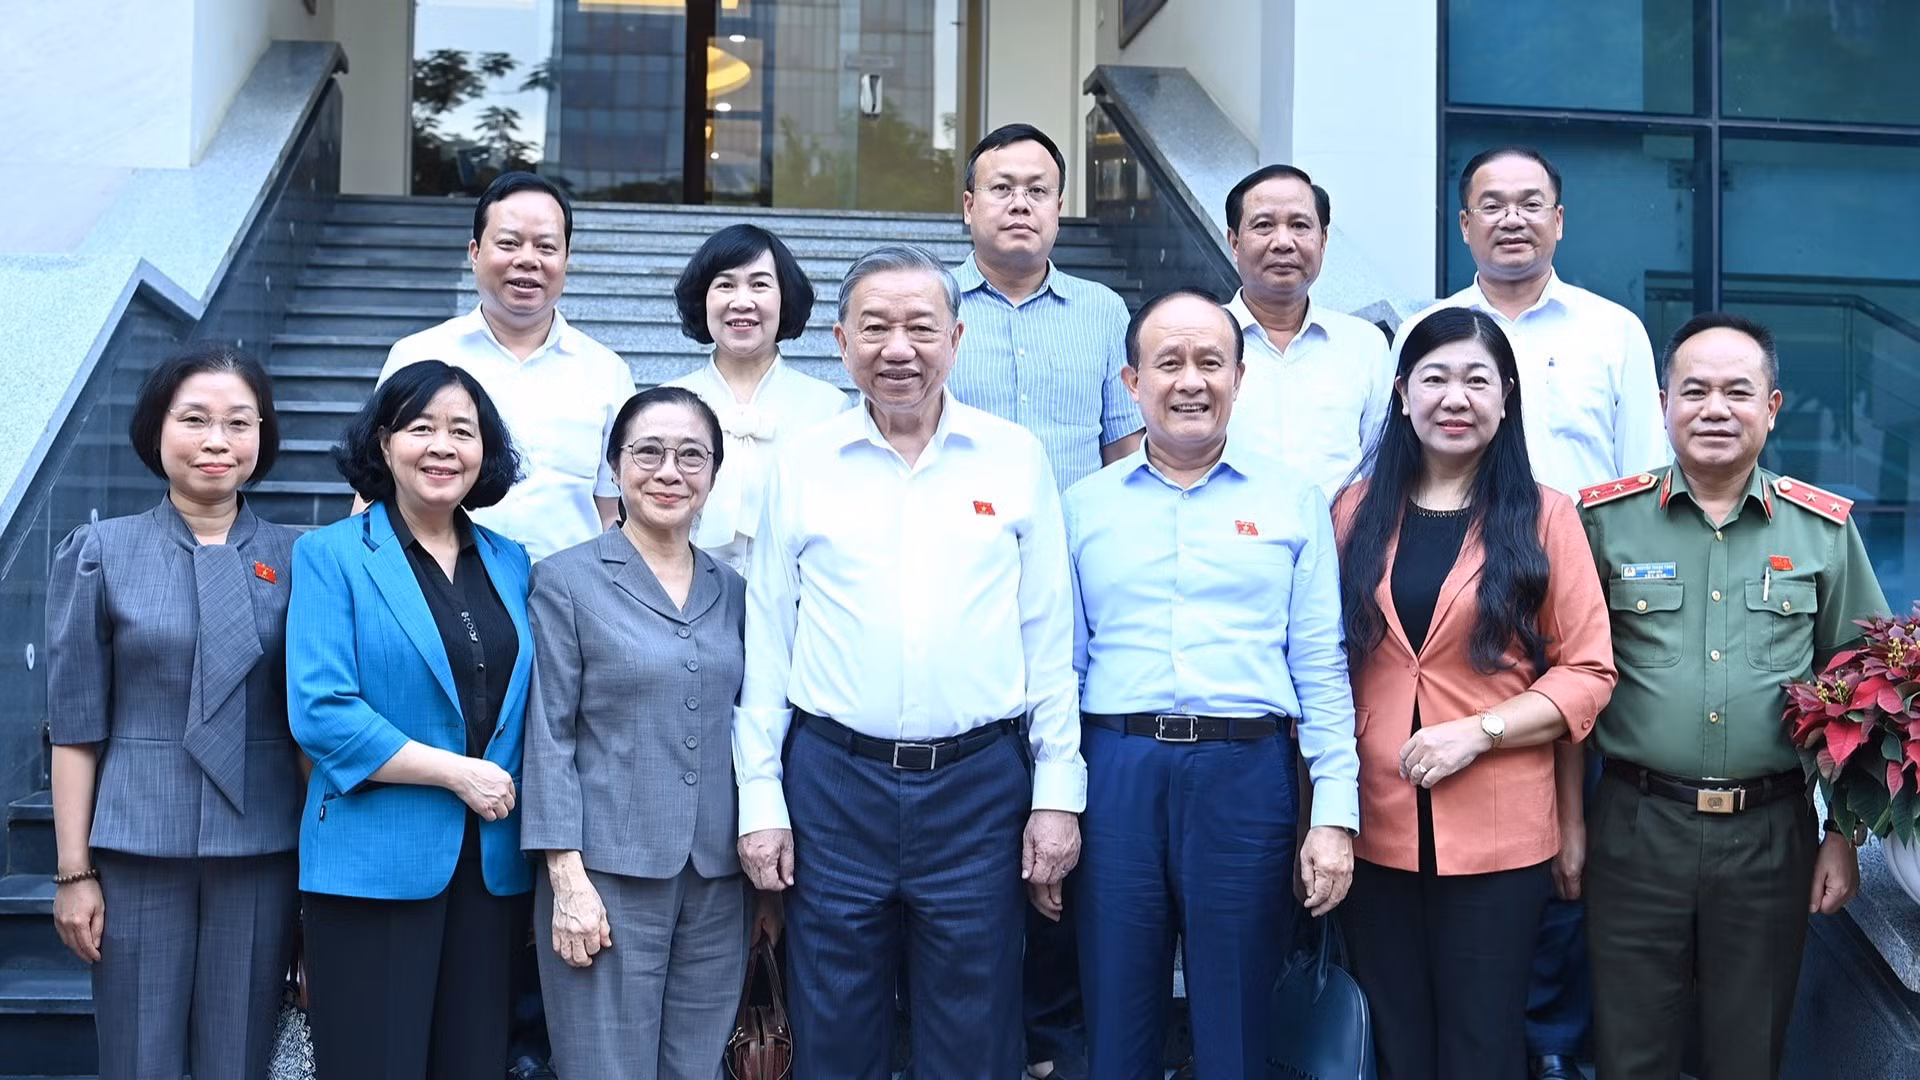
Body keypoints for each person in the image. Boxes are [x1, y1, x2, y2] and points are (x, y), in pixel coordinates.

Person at [733, 243, 1084, 1080]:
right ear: (840, 341)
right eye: (877, 328)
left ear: (956, 338)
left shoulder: (1013, 457)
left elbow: (1049, 640)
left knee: (975, 1026)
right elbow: (767, 641)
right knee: (834, 1021)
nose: (900, 349)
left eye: (922, 327)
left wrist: (1057, 795)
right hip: (833, 779)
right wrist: (760, 799)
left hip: (978, 783)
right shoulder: (803, 462)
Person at [1399, 146, 1668, 1079]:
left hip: (1579, 626)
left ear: (1559, 218)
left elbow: (1645, 484)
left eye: (1530, 204)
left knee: (1562, 864)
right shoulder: (1430, 328)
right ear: (1463, 223)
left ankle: (1550, 1053)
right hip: (1444, 623)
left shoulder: (1613, 332)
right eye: (1489, 205)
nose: (1511, 219)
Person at [1578, 312, 1888, 1080]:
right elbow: (1567, 684)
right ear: (1663, 403)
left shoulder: (1821, 530)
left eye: (1737, 392)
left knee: (1748, 1053)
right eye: (1696, 391)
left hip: (1771, 835)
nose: (1715, 409)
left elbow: (1865, 691)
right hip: (1635, 826)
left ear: (1772, 407)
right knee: (1629, 1052)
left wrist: (1844, 836)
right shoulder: (1603, 522)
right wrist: (1566, 826)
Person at [1064, 290, 1360, 1080]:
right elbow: (1064, 668)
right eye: (1168, 363)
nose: (1190, 381)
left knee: (1235, 1023)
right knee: (1118, 1019)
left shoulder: (1293, 501)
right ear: (1132, 382)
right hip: (1117, 771)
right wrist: (1052, 803)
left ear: (1239, 377)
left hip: (1245, 775)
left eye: (1209, 362)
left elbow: (1320, 665)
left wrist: (1333, 814)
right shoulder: (1082, 509)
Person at [1330, 307, 1616, 1080]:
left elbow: (1588, 672)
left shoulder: (1546, 516)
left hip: (1500, 832)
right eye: (1435, 378)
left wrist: (1477, 731)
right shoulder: (1353, 513)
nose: (1455, 397)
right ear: (1400, 394)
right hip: (1373, 823)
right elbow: (1322, 665)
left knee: (1482, 1043)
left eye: (1476, 380)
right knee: (1395, 1042)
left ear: (1506, 396)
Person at [945, 120, 1141, 1080]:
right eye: (1002, 187)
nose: (1020, 203)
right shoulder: (933, 314)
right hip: (959, 596)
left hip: (1075, 590)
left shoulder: (1105, 314)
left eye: (1038, 189)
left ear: (1059, 207)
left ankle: (1058, 1038)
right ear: (968, 206)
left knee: (1069, 805)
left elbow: (1123, 451)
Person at [45, 346, 301, 1080]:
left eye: (238, 423)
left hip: (261, 852)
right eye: (194, 419)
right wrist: (73, 873)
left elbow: (311, 724)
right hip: (135, 853)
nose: (217, 441)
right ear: (157, 428)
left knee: (239, 1061)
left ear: (263, 435)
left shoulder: (303, 559)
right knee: (137, 1061)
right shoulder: (100, 552)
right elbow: (75, 725)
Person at [287, 359, 535, 1079]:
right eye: (420, 427)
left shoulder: (512, 561)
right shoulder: (331, 554)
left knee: (474, 1064)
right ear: (384, 443)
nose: (443, 446)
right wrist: (459, 775)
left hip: (492, 868)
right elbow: (323, 711)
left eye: (463, 430)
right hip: (372, 862)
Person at [521, 386, 752, 1078]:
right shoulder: (565, 581)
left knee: (697, 1067)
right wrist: (566, 876)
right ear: (615, 466)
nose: (669, 472)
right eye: (647, 453)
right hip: (605, 873)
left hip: (717, 876)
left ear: (714, 473)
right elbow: (547, 733)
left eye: (691, 456)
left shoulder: (733, 588)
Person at [377, 170, 635, 563]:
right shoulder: (417, 355)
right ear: (475, 251)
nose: (527, 260)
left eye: (546, 247)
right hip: (438, 593)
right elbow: (374, 488)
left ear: (567, 259)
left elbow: (610, 510)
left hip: (567, 602)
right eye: (509, 243)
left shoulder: (606, 372)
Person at [664, 223, 848, 574]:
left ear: (784, 297)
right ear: (703, 297)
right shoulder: (665, 404)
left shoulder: (829, 408)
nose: (742, 301)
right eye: (725, 285)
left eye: (760, 284)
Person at [1219, 163, 1393, 498]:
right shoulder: (1201, 341)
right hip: (1227, 543)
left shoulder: (1365, 344)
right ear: (1235, 242)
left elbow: (1380, 465)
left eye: (1300, 225)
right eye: (1264, 225)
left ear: (1323, 240)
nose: (1283, 242)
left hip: (1341, 545)